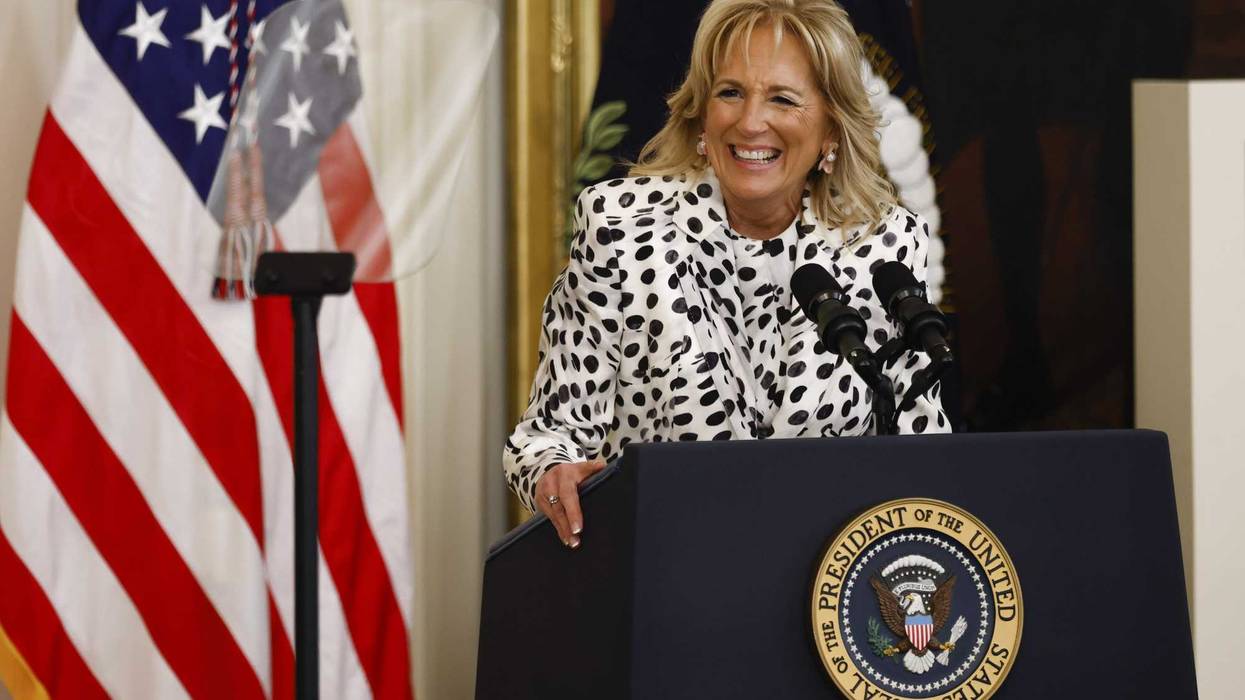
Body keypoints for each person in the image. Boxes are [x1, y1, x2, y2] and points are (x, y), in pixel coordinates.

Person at [504, 0, 949, 548]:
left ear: (831, 130)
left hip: (827, 586)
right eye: (731, 93)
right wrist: (556, 474)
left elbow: (921, 437)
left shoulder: (884, 244)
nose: (750, 121)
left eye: (782, 99)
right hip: (668, 567)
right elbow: (548, 436)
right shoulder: (620, 227)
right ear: (701, 114)